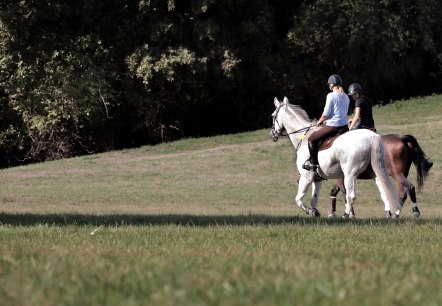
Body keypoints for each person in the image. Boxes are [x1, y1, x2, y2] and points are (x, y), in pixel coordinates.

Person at [303, 74, 350, 172]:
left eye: (329, 84)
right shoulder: (346, 96)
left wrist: (320, 121)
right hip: (345, 126)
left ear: (332, 84)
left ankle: (314, 164)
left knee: (311, 139)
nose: (329, 86)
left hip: (333, 126)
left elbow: (326, 113)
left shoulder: (331, 95)